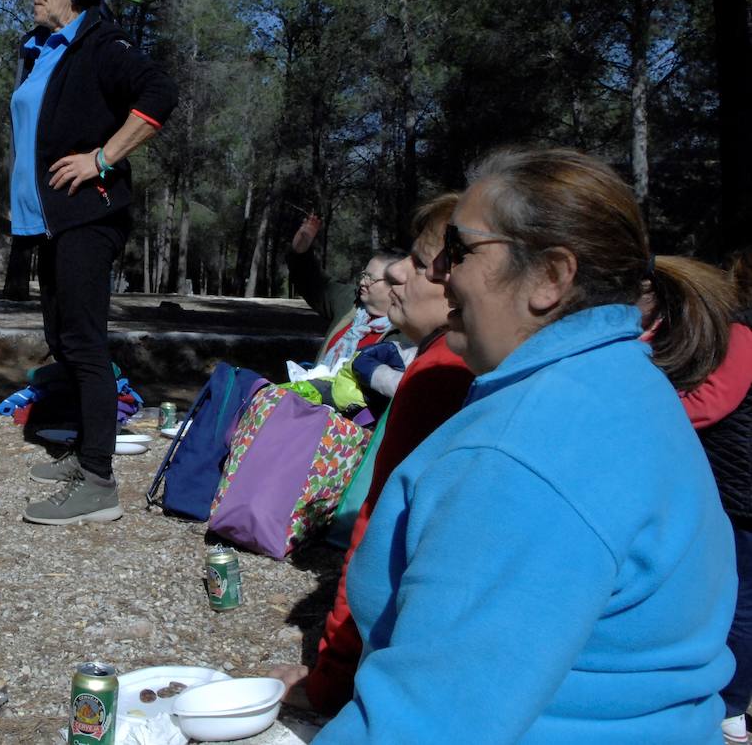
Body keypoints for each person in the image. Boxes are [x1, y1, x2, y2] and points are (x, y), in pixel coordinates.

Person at [314, 148, 735, 741]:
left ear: (549, 277)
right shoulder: (624, 384)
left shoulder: (521, 454)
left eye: (459, 249)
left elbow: (427, 724)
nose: (440, 273)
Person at [270, 193, 475, 715]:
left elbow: (379, 543)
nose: (397, 275)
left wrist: (330, 681)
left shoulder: (439, 372)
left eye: (424, 262)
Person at [10, 0, 177, 526]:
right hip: (51, 224)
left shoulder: (102, 45)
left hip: (89, 217)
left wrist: (103, 157)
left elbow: (159, 93)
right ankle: (85, 452)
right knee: (62, 338)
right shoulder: (41, 46)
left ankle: (99, 483)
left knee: (83, 344)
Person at [643, 256, 752, 745]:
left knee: (741, 602)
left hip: (740, 492)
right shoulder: (689, 328)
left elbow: (711, 403)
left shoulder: (738, 334)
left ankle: (730, 705)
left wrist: (638, 405)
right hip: (732, 486)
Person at [288, 213, 398, 366]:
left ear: (395, 286)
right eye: (364, 275)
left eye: (371, 279)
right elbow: (312, 283)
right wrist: (301, 251)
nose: (362, 282)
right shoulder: (350, 300)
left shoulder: (406, 333)